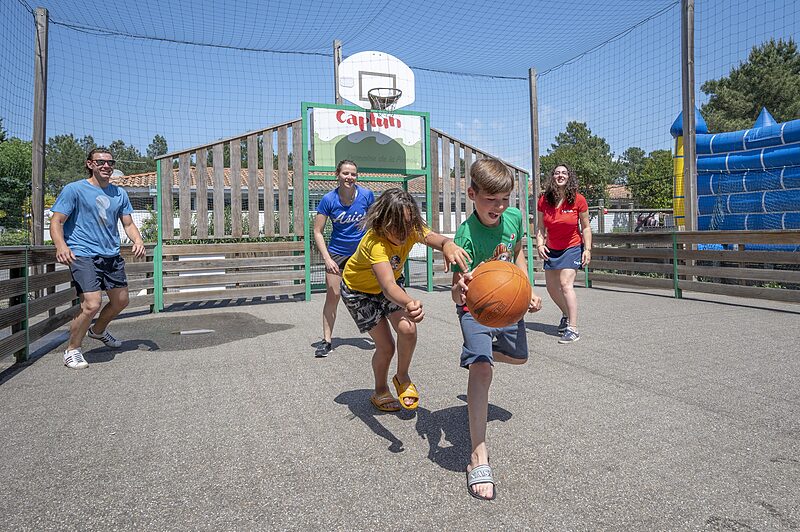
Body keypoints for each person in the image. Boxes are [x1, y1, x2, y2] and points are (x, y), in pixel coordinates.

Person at [451, 157, 543, 501]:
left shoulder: (514, 218)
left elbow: (518, 255)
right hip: (475, 308)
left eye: (505, 199)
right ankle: (478, 456)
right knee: (482, 369)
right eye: (491, 199)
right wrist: (461, 289)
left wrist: (527, 289)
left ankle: (481, 355)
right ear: (472, 194)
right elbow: (456, 287)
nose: (499, 206)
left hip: (508, 304)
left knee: (520, 358)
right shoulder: (465, 235)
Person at [340, 188, 470, 412]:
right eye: (396, 226)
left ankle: (402, 376)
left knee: (408, 329)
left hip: (388, 286)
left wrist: (448, 244)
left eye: (408, 225)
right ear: (382, 222)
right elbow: (388, 286)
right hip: (358, 292)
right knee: (386, 347)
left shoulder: (411, 229)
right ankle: (380, 390)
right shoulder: (375, 242)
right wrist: (409, 302)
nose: (403, 233)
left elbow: (436, 240)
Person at [50, 148, 145, 369]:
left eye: (110, 163)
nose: (106, 166)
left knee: (121, 301)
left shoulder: (119, 193)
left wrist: (138, 240)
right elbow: (57, 221)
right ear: (90, 164)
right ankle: (72, 349)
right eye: (101, 162)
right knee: (92, 304)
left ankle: (98, 331)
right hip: (82, 253)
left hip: (111, 255)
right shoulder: (74, 189)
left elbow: (128, 223)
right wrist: (61, 246)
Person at [312, 160, 374, 357]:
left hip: (361, 254)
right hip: (337, 254)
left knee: (373, 293)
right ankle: (326, 341)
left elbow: (375, 222)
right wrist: (327, 258)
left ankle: (382, 336)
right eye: (345, 173)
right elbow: (317, 231)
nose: (349, 177)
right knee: (334, 295)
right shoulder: (328, 199)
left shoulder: (366, 195)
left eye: (353, 174)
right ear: (337, 175)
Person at [535, 164, 592, 344]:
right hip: (552, 248)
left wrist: (587, 249)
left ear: (569, 177)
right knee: (552, 288)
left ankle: (573, 329)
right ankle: (566, 315)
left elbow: (586, 227)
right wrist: (539, 244)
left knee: (565, 284)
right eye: (557, 173)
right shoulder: (543, 200)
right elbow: (540, 227)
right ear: (552, 176)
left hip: (572, 247)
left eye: (564, 173)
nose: (560, 175)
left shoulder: (578, 199)